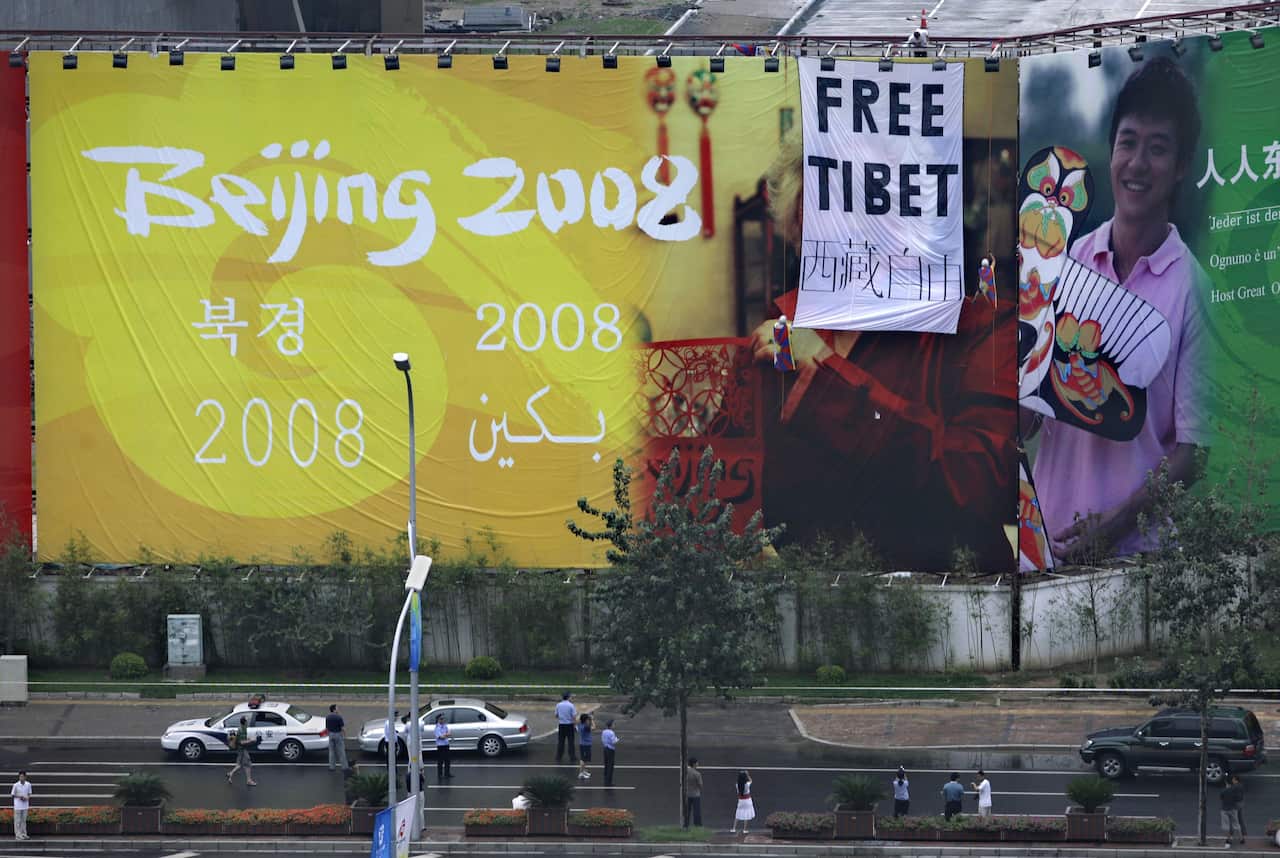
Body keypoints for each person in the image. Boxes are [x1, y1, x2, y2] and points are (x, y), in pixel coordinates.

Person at [758, 133, 1017, 572]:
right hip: (818, 606)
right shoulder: (783, 327)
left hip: (949, 611)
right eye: (817, 226)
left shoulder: (981, 327)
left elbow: (982, 488)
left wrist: (824, 378)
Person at [1029, 56, 1208, 560]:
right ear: (1110, 151)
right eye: (1127, 142)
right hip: (1044, 550)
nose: (1137, 164)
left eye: (1158, 149)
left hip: (1138, 566)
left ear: (1181, 168)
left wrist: (1112, 527)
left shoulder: (1196, 292)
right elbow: (1028, 415)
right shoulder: (1061, 266)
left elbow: (1193, 456)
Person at [227, 716, 258, 786]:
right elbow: (241, 742)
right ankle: (249, 781)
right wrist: (251, 740)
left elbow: (242, 739)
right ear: (245, 722)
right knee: (248, 765)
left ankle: (230, 774)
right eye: (247, 721)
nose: (248, 722)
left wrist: (248, 739)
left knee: (239, 765)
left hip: (241, 749)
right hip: (242, 749)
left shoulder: (244, 728)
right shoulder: (241, 730)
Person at [1220, 773, 1245, 846]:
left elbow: (1221, 797)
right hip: (1233, 809)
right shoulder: (1234, 790)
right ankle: (1241, 839)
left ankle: (1228, 839)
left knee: (1226, 825)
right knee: (1236, 824)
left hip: (1224, 809)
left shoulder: (1224, 791)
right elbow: (1237, 798)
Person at [555, 691, 577, 764]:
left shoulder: (558, 705)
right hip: (569, 725)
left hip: (561, 725)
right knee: (571, 742)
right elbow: (574, 716)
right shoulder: (571, 705)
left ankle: (559, 756)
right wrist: (575, 725)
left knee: (561, 741)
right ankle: (572, 756)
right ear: (568, 697)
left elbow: (556, 715)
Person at [326, 704, 348, 772]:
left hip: (330, 734)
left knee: (331, 751)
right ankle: (344, 767)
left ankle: (332, 767)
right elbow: (342, 728)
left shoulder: (327, 717)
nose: (338, 709)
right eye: (337, 708)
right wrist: (345, 735)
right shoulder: (339, 717)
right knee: (341, 751)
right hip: (338, 735)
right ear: (334, 709)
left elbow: (327, 727)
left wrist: (329, 734)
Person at [733, 769, 755, 836]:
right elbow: (751, 780)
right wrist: (748, 774)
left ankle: (734, 828)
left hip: (741, 800)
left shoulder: (737, 785)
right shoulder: (747, 784)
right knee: (746, 814)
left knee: (738, 813)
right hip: (747, 800)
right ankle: (745, 829)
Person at [10, 771, 31, 841]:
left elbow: (29, 794)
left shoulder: (28, 784)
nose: (21, 778)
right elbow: (12, 795)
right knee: (17, 821)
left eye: (22, 776)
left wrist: (27, 798)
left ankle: (24, 834)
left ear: (25, 777)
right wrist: (20, 796)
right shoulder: (15, 785)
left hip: (25, 805)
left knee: (23, 821)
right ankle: (18, 835)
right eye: (20, 776)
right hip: (18, 805)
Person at [683, 757, 703, 828]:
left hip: (687, 794)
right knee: (696, 811)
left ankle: (685, 825)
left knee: (687, 811)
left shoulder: (685, 772)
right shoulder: (697, 774)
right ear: (694, 764)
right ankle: (698, 826)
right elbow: (700, 785)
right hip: (695, 795)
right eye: (697, 763)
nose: (698, 764)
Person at [434, 714, 452, 780]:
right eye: (441, 719)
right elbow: (441, 737)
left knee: (447, 760)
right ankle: (440, 774)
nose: (442, 720)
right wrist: (446, 735)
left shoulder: (445, 726)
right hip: (440, 746)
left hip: (446, 744)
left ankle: (447, 773)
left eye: (443, 718)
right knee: (440, 761)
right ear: (438, 720)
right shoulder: (437, 728)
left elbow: (449, 733)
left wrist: (445, 735)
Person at [601, 719, 618, 787]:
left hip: (605, 748)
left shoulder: (604, 731)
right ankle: (608, 782)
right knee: (610, 766)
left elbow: (602, 740)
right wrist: (617, 739)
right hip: (610, 750)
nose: (614, 725)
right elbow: (614, 741)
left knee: (606, 765)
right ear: (611, 725)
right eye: (613, 724)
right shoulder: (611, 733)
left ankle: (605, 780)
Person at [576, 713, 593, 780]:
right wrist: (592, 719)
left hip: (583, 744)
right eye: (587, 719)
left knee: (585, 759)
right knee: (583, 759)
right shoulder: (586, 727)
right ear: (585, 720)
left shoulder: (580, 725)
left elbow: (578, 720)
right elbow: (594, 727)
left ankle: (584, 771)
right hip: (585, 744)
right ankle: (581, 773)